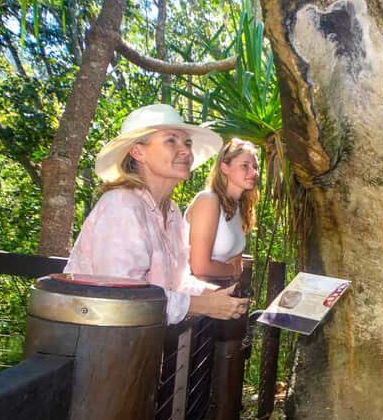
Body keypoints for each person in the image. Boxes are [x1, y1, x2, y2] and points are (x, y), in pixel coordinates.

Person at [64, 104, 248, 324]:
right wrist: (201, 305)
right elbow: (123, 299)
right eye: (171, 140)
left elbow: (175, 283)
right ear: (138, 152)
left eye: (187, 143)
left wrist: (213, 294)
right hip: (94, 345)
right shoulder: (121, 206)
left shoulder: (171, 212)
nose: (186, 151)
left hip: (140, 345)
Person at [185, 138, 260, 281]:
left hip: (220, 291)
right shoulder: (208, 200)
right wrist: (232, 270)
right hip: (191, 296)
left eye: (255, 167)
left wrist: (233, 269)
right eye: (245, 166)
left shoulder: (241, 209)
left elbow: (236, 262)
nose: (253, 172)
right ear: (224, 167)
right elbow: (199, 267)